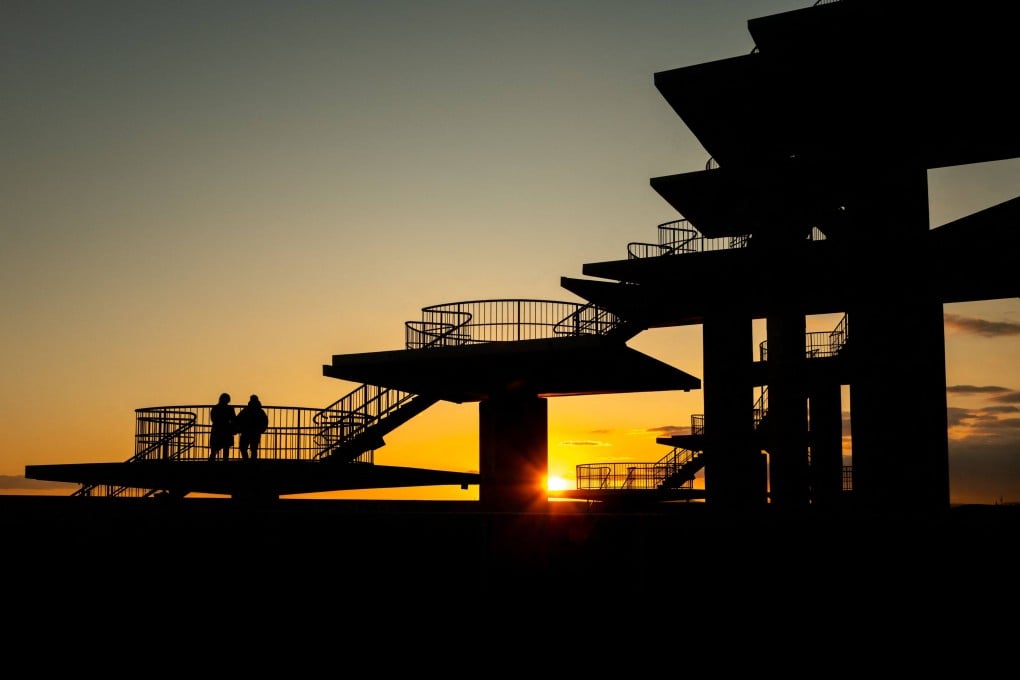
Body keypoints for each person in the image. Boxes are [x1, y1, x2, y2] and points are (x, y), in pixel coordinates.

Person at [236, 394, 269, 461]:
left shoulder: (246, 410)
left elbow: (238, 419)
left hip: (246, 431)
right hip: (256, 432)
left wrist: (238, 428)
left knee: (243, 447)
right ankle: (253, 462)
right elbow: (265, 421)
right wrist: (262, 430)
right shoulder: (260, 411)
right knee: (254, 448)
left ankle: (246, 460)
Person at [208, 392, 236, 461]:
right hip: (226, 429)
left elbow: (213, 419)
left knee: (214, 447)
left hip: (217, 429)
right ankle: (225, 461)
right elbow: (233, 419)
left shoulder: (215, 408)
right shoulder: (230, 408)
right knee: (226, 447)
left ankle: (212, 459)